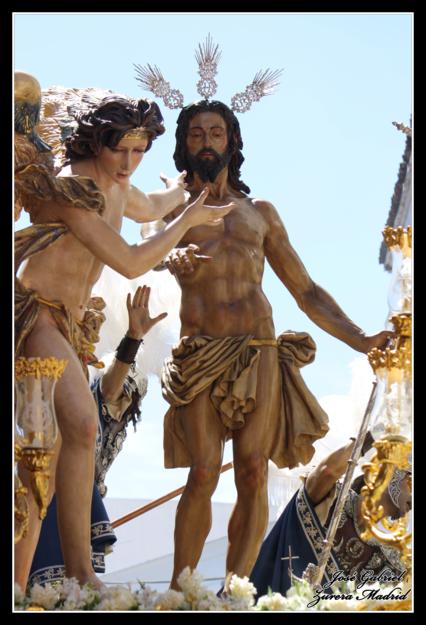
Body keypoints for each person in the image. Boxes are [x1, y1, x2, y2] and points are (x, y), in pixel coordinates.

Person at [159, 99, 394, 590]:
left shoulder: (259, 213)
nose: (206, 142)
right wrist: (171, 256)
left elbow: (305, 291)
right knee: (203, 471)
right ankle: (181, 593)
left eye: (216, 133)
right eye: (197, 134)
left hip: (259, 348)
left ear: (232, 142)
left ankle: (236, 590)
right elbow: (143, 251)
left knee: (252, 472)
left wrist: (362, 339)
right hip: (201, 351)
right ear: (184, 145)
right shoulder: (172, 210)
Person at [14, 75, 236, 592]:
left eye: (139, 151)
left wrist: (180, 190)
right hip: (35, 316)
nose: (129, 162)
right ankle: (57, 576)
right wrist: (188, 220)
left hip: (70, 327)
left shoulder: (115, 184)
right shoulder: (74, 188)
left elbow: (151, 206)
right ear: (97, 142)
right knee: (73, 432)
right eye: (121, 149)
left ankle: (53, 577)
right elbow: (131, 261)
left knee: (55, 451)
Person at [28, 285, 162, 588]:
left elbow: (111, 388)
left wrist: (133, 338)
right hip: (34, 499)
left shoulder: (91, 397)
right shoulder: (37, 371)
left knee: (66, 591)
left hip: (70, 508)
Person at [249, 437, 411, 598]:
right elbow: (327, 471)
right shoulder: (333, 498)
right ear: (391, 473)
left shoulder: (391, 559)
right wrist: (369, 436)